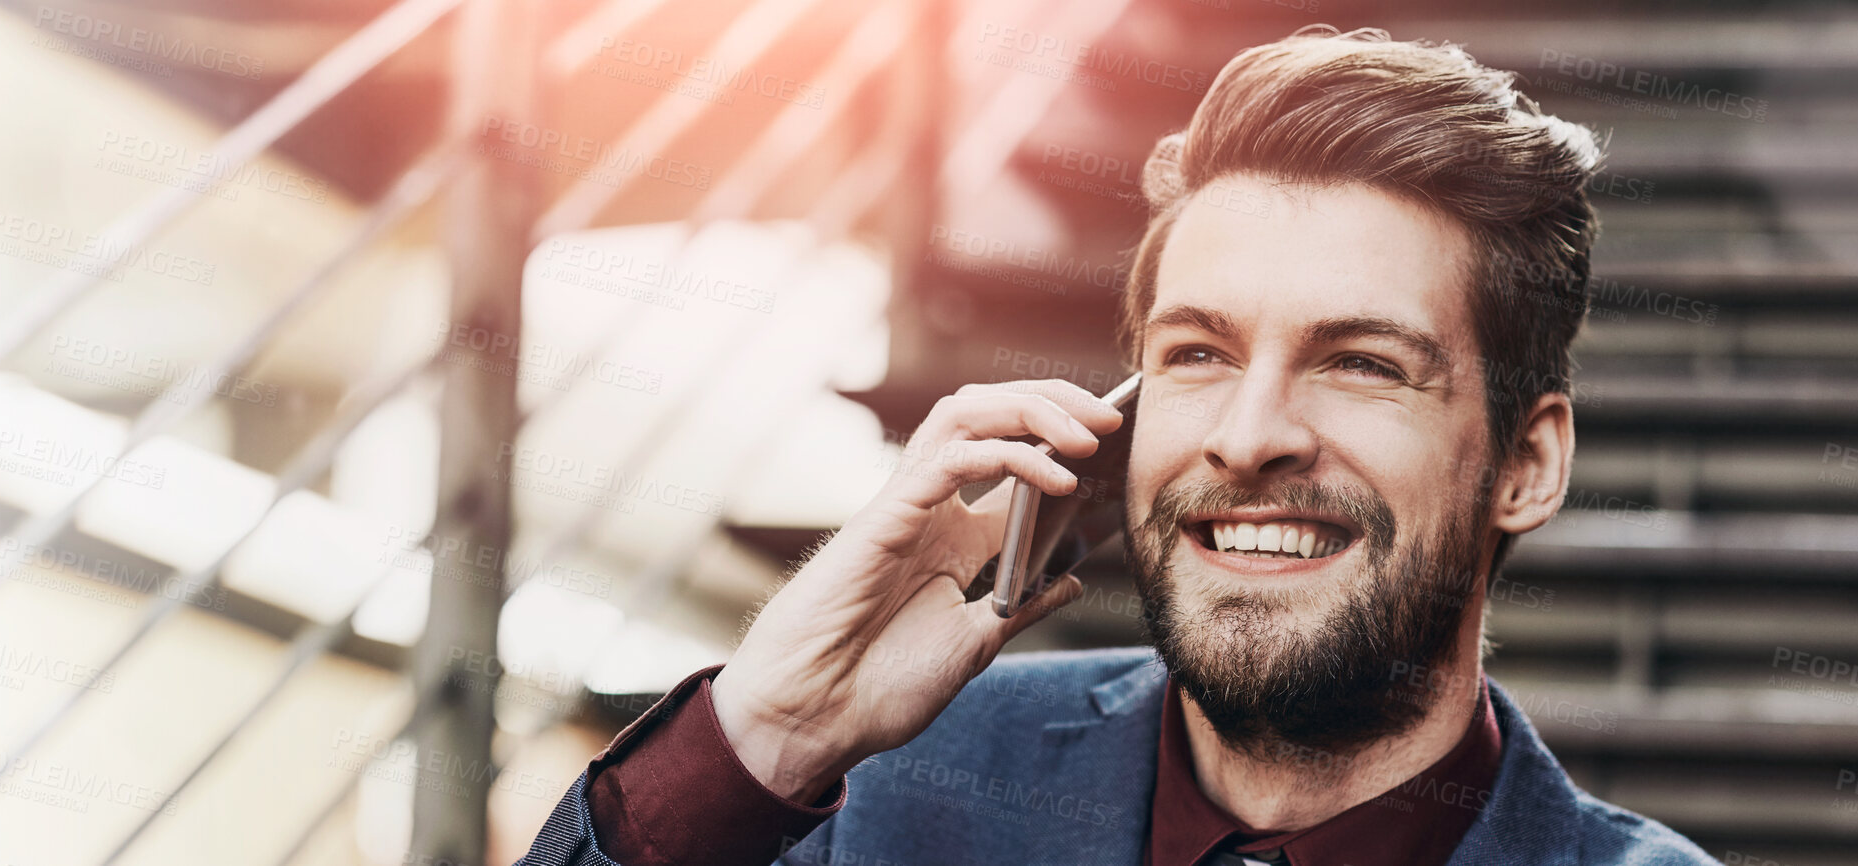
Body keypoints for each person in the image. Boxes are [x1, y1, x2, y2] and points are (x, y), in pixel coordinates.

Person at [518, 25, 1718, 866]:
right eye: (1197, 352)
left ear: (1526, 463)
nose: (1248, 436)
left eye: (1361, 361)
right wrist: (766, 733)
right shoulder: (872, 798)